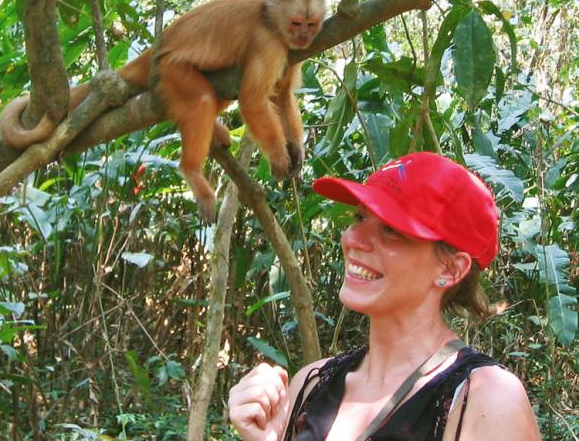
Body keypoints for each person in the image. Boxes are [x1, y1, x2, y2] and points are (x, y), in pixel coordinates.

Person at [228, 152, 542, 441]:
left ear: (450, 268)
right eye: (359, 218)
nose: (353, 239)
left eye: (392, 230)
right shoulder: (309, 384)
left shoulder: (486, 399)